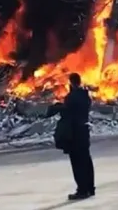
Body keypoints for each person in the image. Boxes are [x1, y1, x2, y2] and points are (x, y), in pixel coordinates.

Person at [47, 72, 95, 200]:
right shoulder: (86, 96)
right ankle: (90, 188)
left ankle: (82, 190)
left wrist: (57, 107)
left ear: (71, 83)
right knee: (86, 161)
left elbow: (68, 113)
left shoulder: (71, 97)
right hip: (84, 131)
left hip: (75, 134)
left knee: (77, 163)